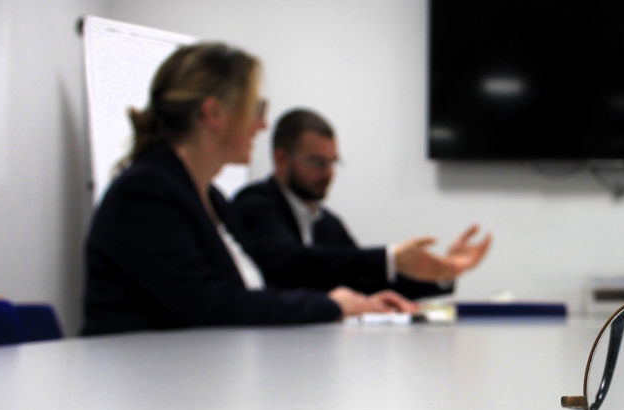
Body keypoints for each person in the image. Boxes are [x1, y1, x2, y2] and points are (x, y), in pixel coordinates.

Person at [82, 43, 405, 336]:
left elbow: (255, 294)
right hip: (141, 388)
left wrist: (347, 302)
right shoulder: (145, 194)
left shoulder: (212, 199)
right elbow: (212, 307)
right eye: (256, 109)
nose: (262, 125)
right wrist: (332, 305)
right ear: (214, 113)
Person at [231, 109, 490, 302]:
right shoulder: (255, 204)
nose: (329, 173)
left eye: (333, 162)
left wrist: (443, 270)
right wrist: (391, 257)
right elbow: (290, 263)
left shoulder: (328, 223)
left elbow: (364, 280)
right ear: (281, 159)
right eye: (318, 163)